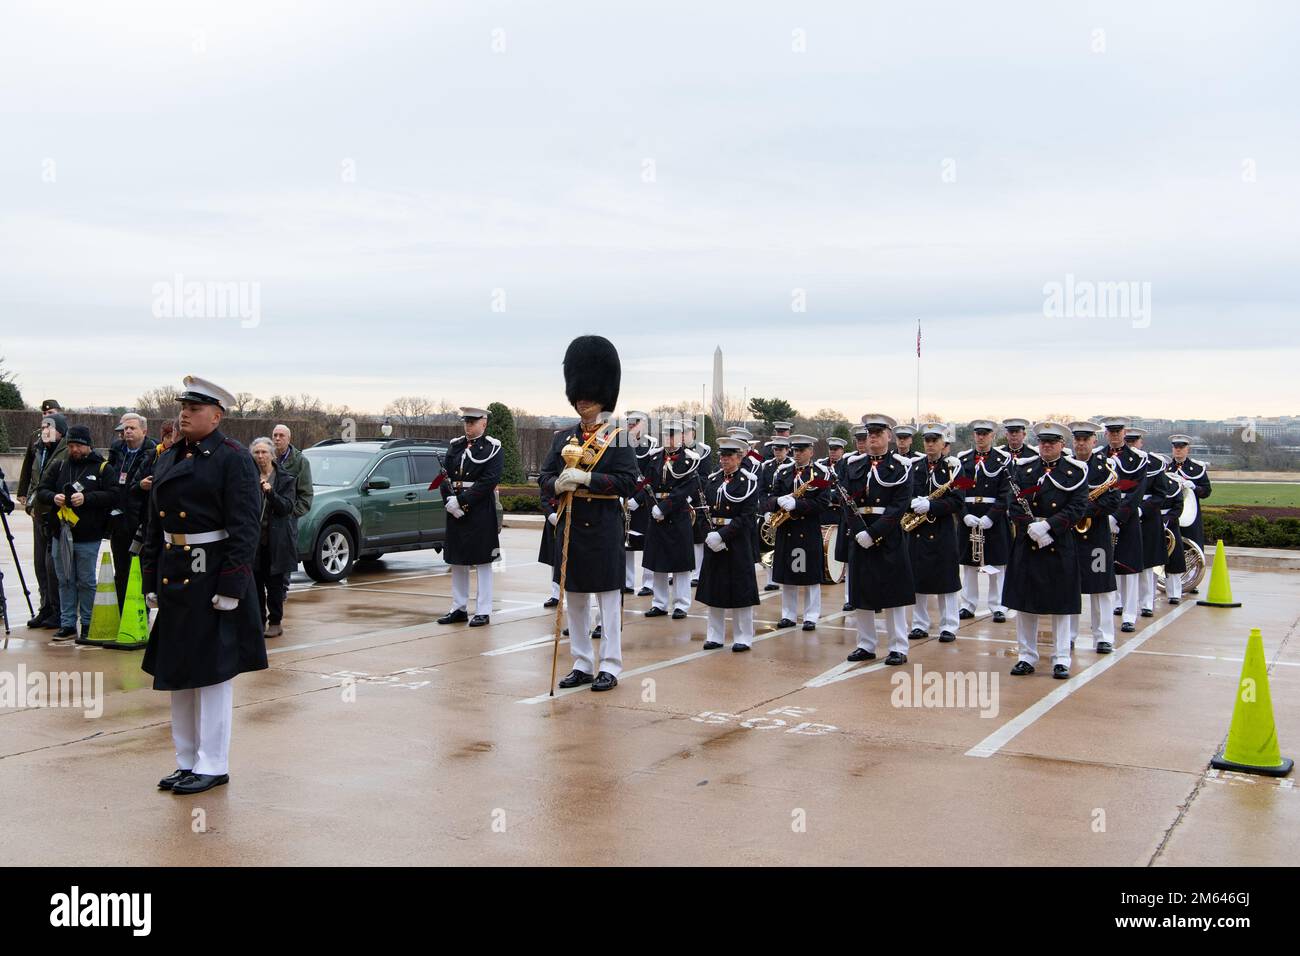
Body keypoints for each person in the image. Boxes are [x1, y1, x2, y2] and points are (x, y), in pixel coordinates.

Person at [141, 376, 267, 795]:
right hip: (175, 571)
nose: (185, 414)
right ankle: (186, 759)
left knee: (212, 675)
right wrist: (150, 578)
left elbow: (246, 527)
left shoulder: (232, 459)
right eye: (183, 407)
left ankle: (213, 763)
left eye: (194, 409)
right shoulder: (169, 455)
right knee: (179, 671)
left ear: (217, 415)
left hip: (212, 575)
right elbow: (154, 522)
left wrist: (232, 585)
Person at [541, 336, 640, 692]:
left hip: (602, 526)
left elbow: (628, 482)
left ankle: (610, 664)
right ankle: (582, 662)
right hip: (570, 526)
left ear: (603, 394)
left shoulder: (619, 438)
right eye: (578, 395)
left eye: (588, 395)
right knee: (576, 600)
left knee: (608, 601)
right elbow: (545, 477)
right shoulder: (563, 437)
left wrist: (588, 478)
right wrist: (557, 486)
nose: (582, 401)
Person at [1003, 422, 1089, 679]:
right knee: (1025, 604)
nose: (1046, 446)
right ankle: (1026, 656)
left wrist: (1049, 527)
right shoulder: (1024, 468)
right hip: (1029, 541)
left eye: (1052, 442)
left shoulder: (1075, 471)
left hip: (1057, 543)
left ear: (1062, 445)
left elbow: (1078, 506)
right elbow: (1013, 502)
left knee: (1060, 605)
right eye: (1042, 442)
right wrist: (1031, 527)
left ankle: (1061, 658)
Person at [843, 414, 915, 664]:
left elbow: (900, 504)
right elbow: (846, 501)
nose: (873, 437)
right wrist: (859, 530)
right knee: (862, 592)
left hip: (888, 536)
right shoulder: (853, 465)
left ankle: (898, 647)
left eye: (878, 433)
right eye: (869, 433)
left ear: (889, 436)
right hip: (859, 533)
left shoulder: (902, 466)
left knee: (894, 595)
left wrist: (874, 533)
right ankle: (866, 644)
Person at [35, 424, 114, 642]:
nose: (74, 449)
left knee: (86, 581)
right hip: (61, 534)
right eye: (71, 445)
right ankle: (67, 622)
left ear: (88, 445)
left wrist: (87, 498)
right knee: (65, 580)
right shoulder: (60, 466)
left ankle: (87, 622)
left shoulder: (102, 468)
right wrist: (54, 497)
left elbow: (114, 494)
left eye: (78, 445)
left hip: (88, 535)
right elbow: (41, 490)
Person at [436, 407, 504, 628]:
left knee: (483, 560)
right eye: (466, 421)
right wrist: (449, 502)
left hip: (479, 510)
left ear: (484, 423)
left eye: (473, 422)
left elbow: (488, 481)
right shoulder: (455, 446)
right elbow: (443, 477)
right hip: (455, 507)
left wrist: (463, 502)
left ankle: (483, 610)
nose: (468, 425)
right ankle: (458, 607)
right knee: (458, 560)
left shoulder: (493, 448)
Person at [698, 438, 761, 651]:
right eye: (722, 456)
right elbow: (703, 511)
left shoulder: (748, 481)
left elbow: (747, 517)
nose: (724, 460)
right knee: (715, 589)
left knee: (740, 590)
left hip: (736, 542)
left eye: (729, 456)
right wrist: (709, 534)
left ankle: (743, 636)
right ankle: (714, 635)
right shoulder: (714, 480)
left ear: (740, 457)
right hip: (714, 538)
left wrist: (723, 535)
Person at [907, 423, 966, 642]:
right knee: (917, 578)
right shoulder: (914, 467)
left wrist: (932, 507)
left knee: (946, 579)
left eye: (935, 441)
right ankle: (920, 624)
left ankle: (949, 625)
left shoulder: (954, 467)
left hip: (942, 530)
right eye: (928, 441)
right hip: (918, 530)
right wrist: (913, 504)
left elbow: (958, 501)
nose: (931, 445)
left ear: (943, 444)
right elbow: (905, 495)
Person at [1065, 422, 1122, 654]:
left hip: (1096, 535)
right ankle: (1067, 636)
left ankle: (1104, 637)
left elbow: (1113, 500)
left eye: (1085, 439)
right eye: (1077, 439)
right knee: (1068, 586)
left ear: (1094, 441)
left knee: (1101, 589)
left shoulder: (1106, 467)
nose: (1080, 443)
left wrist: (1085, 510)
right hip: (1070, 535)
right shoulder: (1065, 466)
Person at [766, 434, 831, 631]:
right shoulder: (783, 472)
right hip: (787, 529)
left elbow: (823, 502)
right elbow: (770, 495)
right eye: (795, 451)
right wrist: (774, 505)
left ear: (811, 451)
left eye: (802, 451)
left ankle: (811, 615)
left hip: (807, 529)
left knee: (810, 575)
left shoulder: (820, 474)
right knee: (788, 575)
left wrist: (798, 504)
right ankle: (788, 614)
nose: (797, 454)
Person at [642, 420, 700, 620]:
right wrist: (652, 508)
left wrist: (664, 508)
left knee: (680, 564)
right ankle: (659, 603)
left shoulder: (690, 459)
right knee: (658, 561)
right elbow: (647, 484)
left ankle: (681, 604)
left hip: (677, 515)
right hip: (656, 515)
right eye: (666, 435)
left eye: (673, 435)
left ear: (682, 437)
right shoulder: (655, 457)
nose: (669, 438)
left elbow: (686, 489)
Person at [16, 407, 67, 629]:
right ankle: (45, 606)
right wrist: (27, 501)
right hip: (39, 510)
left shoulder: (65, 450)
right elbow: (30, 473)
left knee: (53, 565)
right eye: (44, 426)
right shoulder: (39, 448)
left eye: (49, 427)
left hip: (57, 514)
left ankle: (58, 609)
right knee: (40, 564)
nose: (44, 430)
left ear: (60, 431)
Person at [957, 420, 1011, 622]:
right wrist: (964, 515)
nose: (981, 437)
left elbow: (1007, 493)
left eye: (985, 434)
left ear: (992, 436)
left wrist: (991, 516)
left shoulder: (1003, 460)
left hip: (993, 518)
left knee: (996, 563)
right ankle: (968, 604)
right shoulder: (964, 460)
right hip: (970, 515)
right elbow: (958, 491)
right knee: (969, 564)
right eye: (978, 434)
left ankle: (998, 605)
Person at [104, 413, 158, 611]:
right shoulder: (117, 449)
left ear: (144, 431)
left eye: (132, 428)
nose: (127, 431)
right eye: (125, 428)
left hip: (140, 519)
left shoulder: (152, 451)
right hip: (118, 518)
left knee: (140, 568)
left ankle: (139, 610)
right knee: (122, 568)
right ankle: (120, 609)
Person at [1099, 417, 1148, 632]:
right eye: (1111, 431)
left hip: (1127, 518)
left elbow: (1137, 492)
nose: (1115, 435)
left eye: (1118, 431)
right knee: (1103, 566)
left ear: (1124, 432)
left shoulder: (1137, 458)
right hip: (1102, 515)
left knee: (1129, 568)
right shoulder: (1099, 455)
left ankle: (1129, 614)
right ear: (1106, 434)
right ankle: (1110, 609)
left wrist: (1117, 517)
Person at [249, 437, 297, 637]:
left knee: (275, 584)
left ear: (272, 454)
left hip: (276, 540)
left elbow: (286, 507)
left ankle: (275, 621)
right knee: (255, 584)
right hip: (254, 541)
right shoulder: (247, 477)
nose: (260, 456)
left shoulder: (285, 479)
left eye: (264, 452)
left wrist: (271, 493)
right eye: (257, 452)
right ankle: (258, 621)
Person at [270, 424, 312, 636]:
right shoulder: (267, 457)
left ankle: (282, 592)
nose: (277, 439)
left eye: (281, 436)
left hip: (286, 518)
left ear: (289, 438)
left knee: (284, 556)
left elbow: (306, 494)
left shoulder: (300, 461)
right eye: (275, 435)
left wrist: (292, 513)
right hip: (267, 518)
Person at [1141, 451, 1186, 608]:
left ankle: (1174, 593)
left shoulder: (1174, 485)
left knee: (1174, 561)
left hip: (1170, 526)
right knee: (1152, 563)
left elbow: (1178, 506)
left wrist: (1167, 520)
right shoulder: (1146, 483)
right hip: (1151, 522)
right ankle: (1149, 596)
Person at [622, 410, 657, 595]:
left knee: (647, 543)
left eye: (635, 423)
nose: (631, 426)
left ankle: (648, 583)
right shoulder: (621, 443)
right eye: (629, 423)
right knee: (626, 543)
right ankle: (627, 582)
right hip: (626, 496)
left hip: (644, 498)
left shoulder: (652, 445)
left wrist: (639, 498)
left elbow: (652, 477)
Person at [1167, 434, 1211, 560]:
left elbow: (1207, 492)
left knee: (1192, 551)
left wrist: (1194, 488)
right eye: (1175, 447)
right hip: (1172, 516)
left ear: (1188, 449)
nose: (1178, 449)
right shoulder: (1166, 468)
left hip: (1191, 518)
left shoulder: (1197, 468)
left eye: (1181, 447)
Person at [756, 437, 791, 591]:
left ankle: (787, 574)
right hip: (770, 509)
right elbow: (762, 491)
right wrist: (766, 511)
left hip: (786, 509)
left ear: (787, 450)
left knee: (785, 546)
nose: (778, 452)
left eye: (781, 449)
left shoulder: (791, 466)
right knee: (769, 545)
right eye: (775, 449)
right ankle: (771, 579)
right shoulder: (767, 466)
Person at [683, 422, 713, 586]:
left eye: (687, 431)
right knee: (679, 537)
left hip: (695, 500)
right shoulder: (676, 451)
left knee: (697, 539)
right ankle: (680, 570)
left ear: (693, 433)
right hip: (678, 500)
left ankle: (697, 573)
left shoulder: (703, 450)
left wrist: (688, 495)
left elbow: (703, 477)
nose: (684, 435)